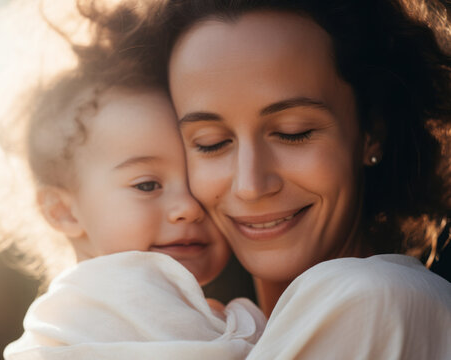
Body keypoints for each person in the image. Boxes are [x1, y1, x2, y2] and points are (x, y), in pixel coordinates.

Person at [0, 2, 267, 359]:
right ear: (63, 211)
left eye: (195, 180)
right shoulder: (103, 303)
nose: (189, 207)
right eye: (146, 185)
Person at [158, 0, 451, 358]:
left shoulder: (375, 298)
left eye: (293, 133)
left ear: (371, 131)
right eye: (211, 143)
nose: (250, 185)